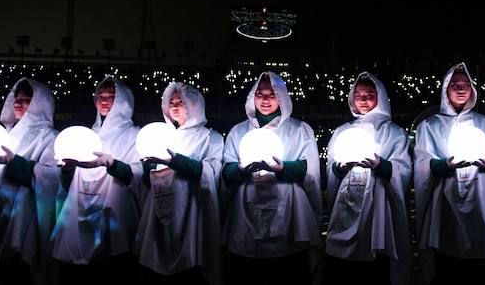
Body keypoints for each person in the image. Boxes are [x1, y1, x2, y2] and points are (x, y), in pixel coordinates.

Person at [220, 72, 323, 284]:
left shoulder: (299, 130)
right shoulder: (238, 132)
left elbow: (309, 169)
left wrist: (283, 168)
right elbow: (226, 173)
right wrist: (241, 169)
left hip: (289, 214)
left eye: (272, 94)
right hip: (245, 214)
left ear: (282, 97)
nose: (265, 100)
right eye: (260, 94)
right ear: (252, 97)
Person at [413, 63, 485, 285]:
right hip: (445, 205)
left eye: (466, 85)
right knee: (449, 266)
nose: (460, 89)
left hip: (480, 202)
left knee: (481, 266)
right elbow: (422, 165)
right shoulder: (430, 126)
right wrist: (445, 165)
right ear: (446, 89)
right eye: (455, 85)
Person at [52, 77, 142, 285]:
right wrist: (67, 171)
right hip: (80, 216)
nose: (104, 101)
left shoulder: (134, 136)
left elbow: (139, 178)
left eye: (111, 97)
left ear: (123, 102)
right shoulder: (86, 136)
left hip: (115, 219)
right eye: (100, 97)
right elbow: (69, 185)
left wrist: (113, 165)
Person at [324, 72, 412, 285]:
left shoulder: (394, 133)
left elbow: (402, 170)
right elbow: (332, 170)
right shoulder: (342, 132)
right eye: (359, 95)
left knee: (374, 264)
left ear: (379, 97)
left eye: (369, 94)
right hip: (346, 205)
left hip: (378, 208)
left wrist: (380, 165)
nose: (363, 99)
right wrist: (339, 167)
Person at [134, 82, 222, 284]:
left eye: (180, 102)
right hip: (158, 210)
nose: (175, 106)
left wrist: (175, 161)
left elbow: (211, 173)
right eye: (171, 102)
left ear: (194, 104)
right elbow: (145, 178)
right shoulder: (158, 136)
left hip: (192, 212)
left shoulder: (210, 138)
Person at [0, 79, 59, 285]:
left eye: (26, 100)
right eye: (16, 99)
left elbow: (52, 177)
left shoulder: (49, 138)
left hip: (24, 217)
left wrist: (17, 165)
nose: (18, 103)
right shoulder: (5, 135)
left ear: (39, 104)